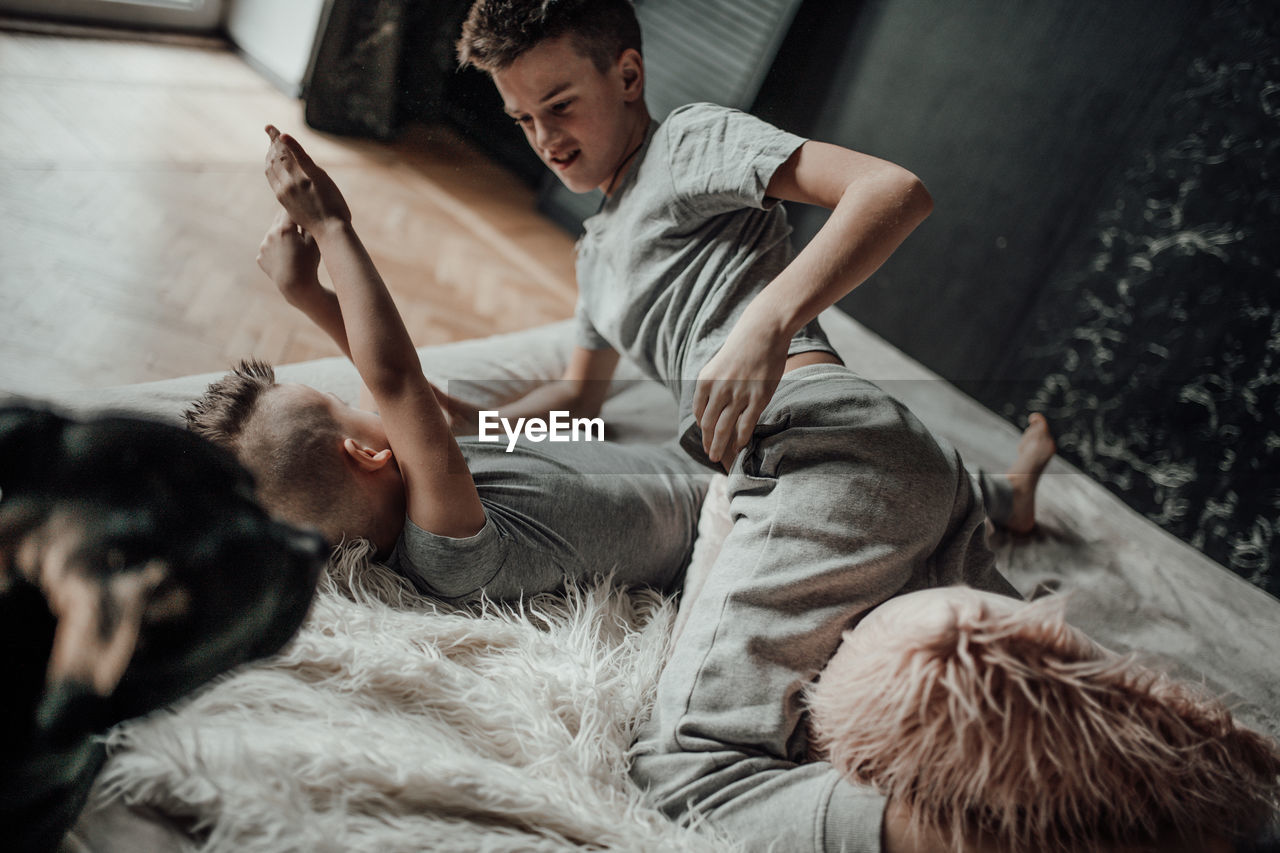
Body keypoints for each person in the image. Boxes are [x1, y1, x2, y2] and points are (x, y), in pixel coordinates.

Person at [451, 2, 1058, 851]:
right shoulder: (595, 253)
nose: (545, 137)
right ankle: (1008, 496)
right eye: (522, 118)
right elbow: (575, 402)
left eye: (561, 104)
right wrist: (456, 420)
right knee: (1004, 701)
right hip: (881, 465)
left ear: (627, 75)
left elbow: (892, 190)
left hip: (814, 449)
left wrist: (768, 319)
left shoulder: (688, 144)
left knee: (682, 769)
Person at [184, 126, 708, 605]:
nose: (361, 396)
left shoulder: (417, 479)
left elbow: (395, 386)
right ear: (366, 456)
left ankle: (584, 395)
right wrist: (330, 225)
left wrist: (305, 294)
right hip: (710, 509)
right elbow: (394, 379)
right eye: (341, 404)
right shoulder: (447, 551)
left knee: (477, 416)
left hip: (666, 453)